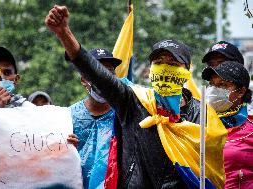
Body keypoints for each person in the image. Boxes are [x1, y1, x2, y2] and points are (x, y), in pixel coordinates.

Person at [45, 5, 205, 188]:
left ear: (186, 71)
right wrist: (64, 33)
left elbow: (212, 170)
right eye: (158, 63)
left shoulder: (201, 115)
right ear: (151, 69)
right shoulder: (134, 101)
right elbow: (95, 72)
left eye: (173, 64)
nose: (164, 69)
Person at [70, 48, 122, 189]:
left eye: (109, 72)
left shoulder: (124, 116)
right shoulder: (68, 116)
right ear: (83, 80)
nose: (103, 78)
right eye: (96, 73)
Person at [202, 61, 253, 188]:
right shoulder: (199, 122)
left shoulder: (250, 127)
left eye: (222, 85)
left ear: (241, 91)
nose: (213, 90)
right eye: (212, 84)